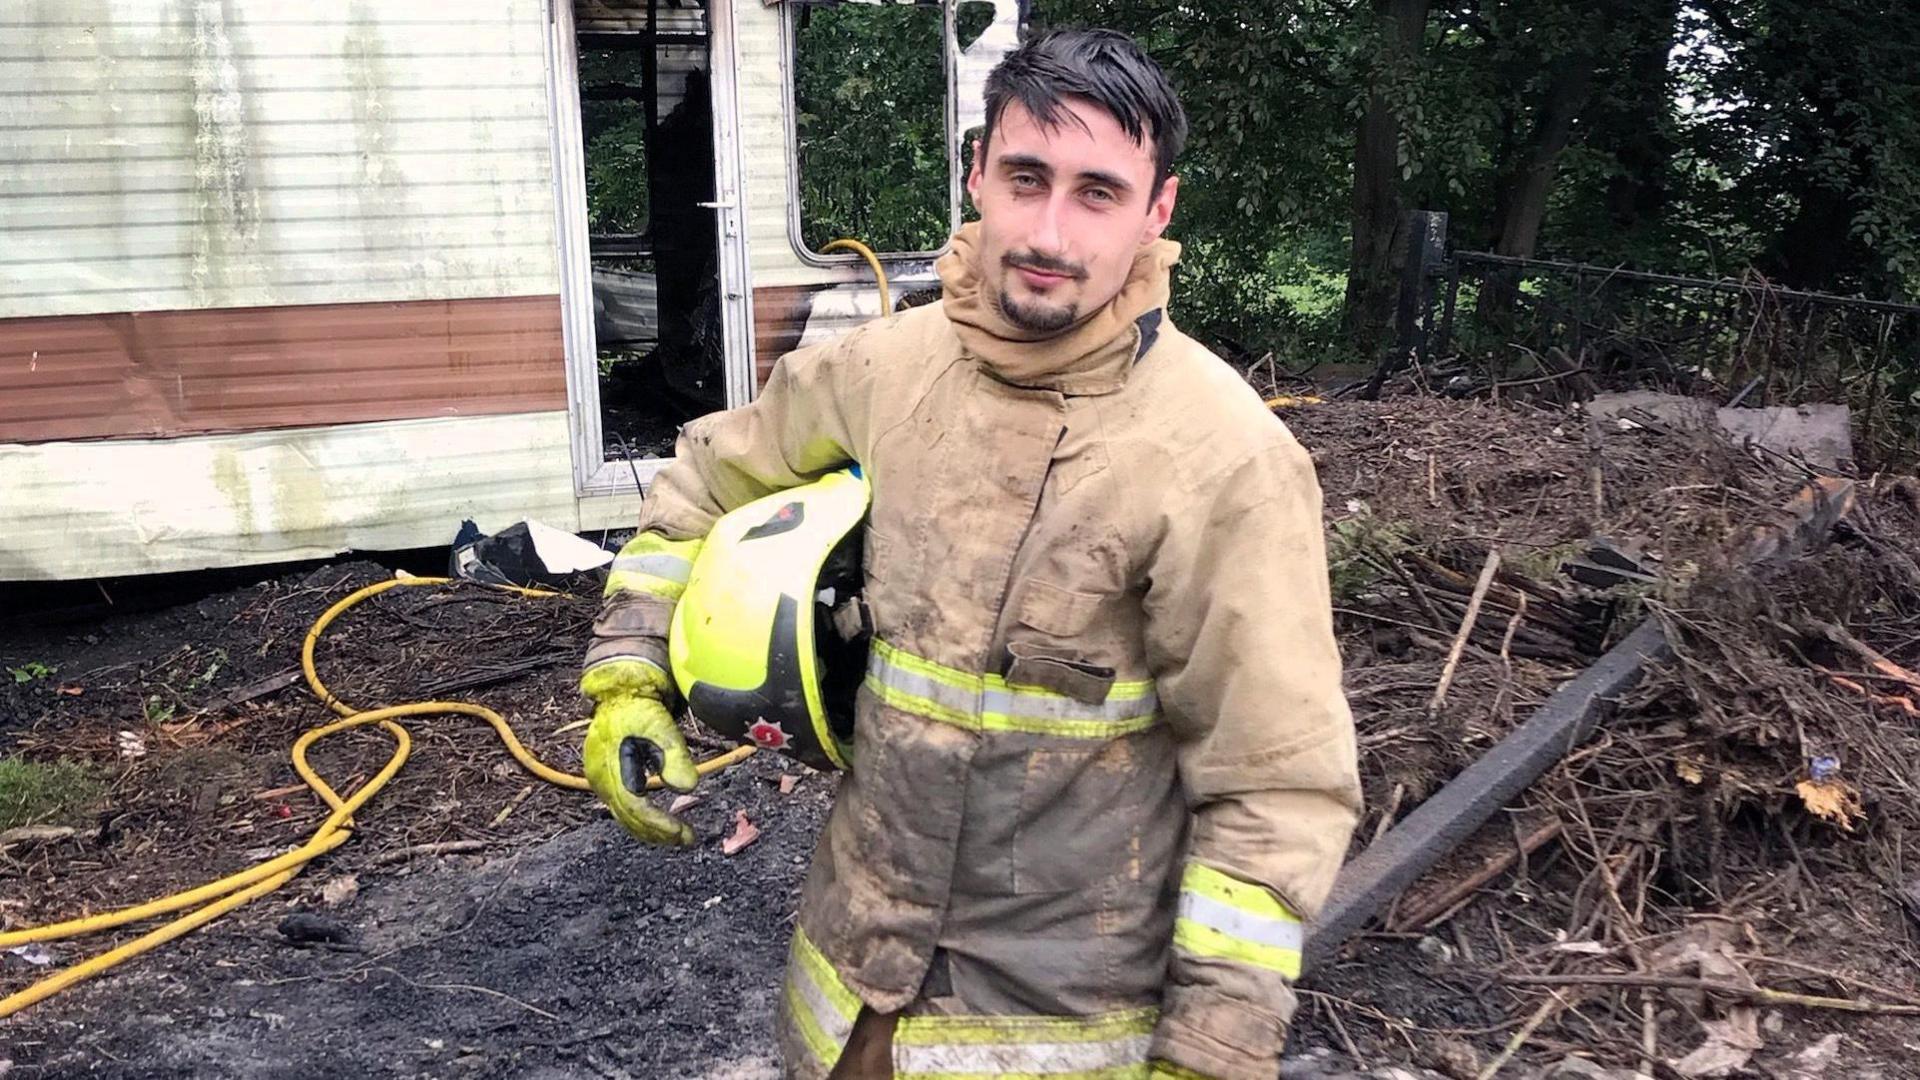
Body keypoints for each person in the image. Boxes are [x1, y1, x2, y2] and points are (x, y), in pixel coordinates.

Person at [578, 28, 1361, 1080]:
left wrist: (1214, 1046)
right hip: (848, 998)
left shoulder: (1225, 460)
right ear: (977, 172)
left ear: (1157, 212)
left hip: (1061, 1027)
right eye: (1026, 178)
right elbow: (707, 481)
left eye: (1097, 193)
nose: (1049, 230)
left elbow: (1275, 784)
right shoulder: (884, 368)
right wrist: (632, 676)